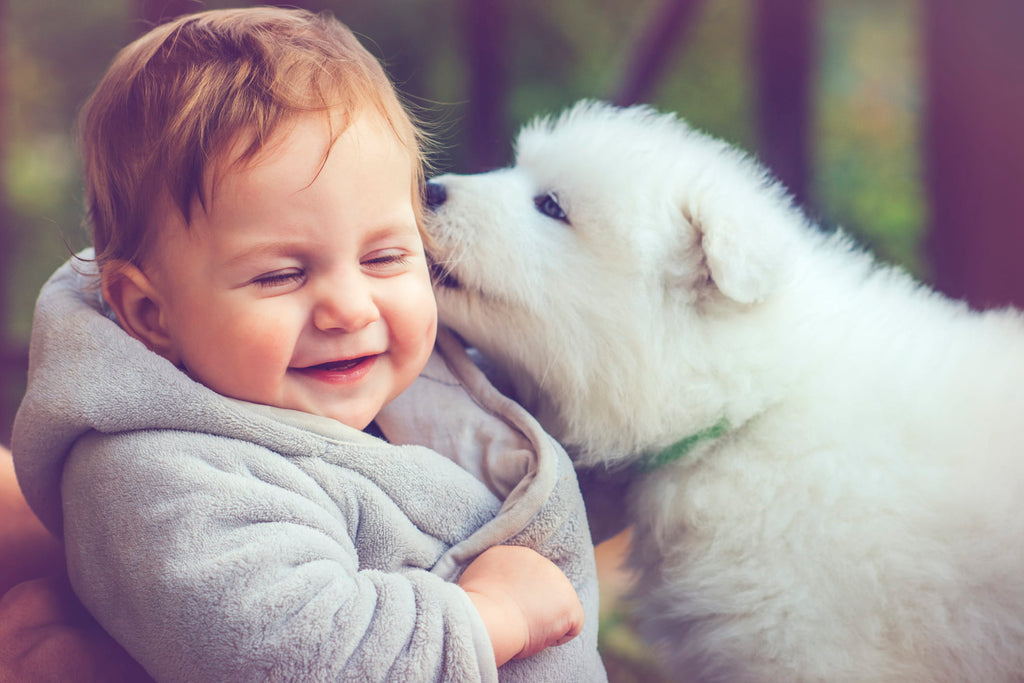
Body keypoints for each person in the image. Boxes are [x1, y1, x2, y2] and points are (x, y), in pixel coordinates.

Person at [11, 8, 606, 682]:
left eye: (385, 257)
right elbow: (294, 655)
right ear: (152, 314)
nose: (351, 308)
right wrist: (489, 616)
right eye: (282, 274)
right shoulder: (161, 477)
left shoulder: (424, 384)